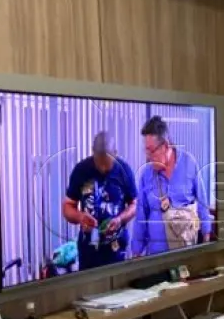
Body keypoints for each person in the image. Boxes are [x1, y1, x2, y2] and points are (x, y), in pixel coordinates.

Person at [131, 115, 213, 257]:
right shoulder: (146, 175)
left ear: (166, 146)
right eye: (146, 151)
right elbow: (140, 216)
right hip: (155, 256)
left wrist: (206, 238)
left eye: (152, 151)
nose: (148, 156)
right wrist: (136, 252)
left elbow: (202, 203)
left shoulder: (189, 163)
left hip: (186, 252)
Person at [61, 131, 138, 270]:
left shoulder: (124, 171)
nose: (102, 168)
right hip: (89, 252)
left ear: (115, 154)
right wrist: (80, 217)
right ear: (93, 152)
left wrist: (120, 219)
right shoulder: (81, 171)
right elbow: (67, 206)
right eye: (99, 163)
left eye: (107, 164)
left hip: (117, 250)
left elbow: (134, 204)